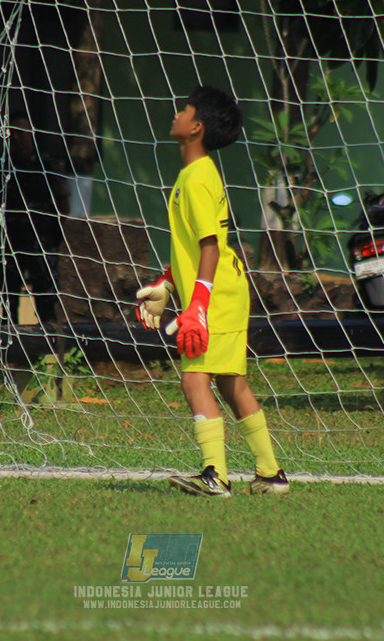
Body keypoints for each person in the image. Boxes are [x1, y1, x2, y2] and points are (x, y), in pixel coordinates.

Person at [135, 85, 289, 497]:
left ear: (196, 127)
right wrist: (166, 285)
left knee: (194, 380)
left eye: (184, 110)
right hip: (225, 289)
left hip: (216, 295)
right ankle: (270, 474)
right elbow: (193, 246)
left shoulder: (198, 178)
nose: (177, 114)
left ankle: (215, 475)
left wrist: (198, 304)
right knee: (230, 383)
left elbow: (209, 246)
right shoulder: (194, 174)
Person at [0, 113, 71, 324]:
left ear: (32, 134)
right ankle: (8, 339)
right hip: (11, 239)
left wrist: (55, 235)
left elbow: (63, 204)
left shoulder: (49, 164)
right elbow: (1, 199)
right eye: (11, 133)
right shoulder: (3, 164)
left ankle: (48, 339)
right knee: (8, 297)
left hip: (41, 239)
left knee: (46, 298)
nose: (15, 138)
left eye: (20, 132)